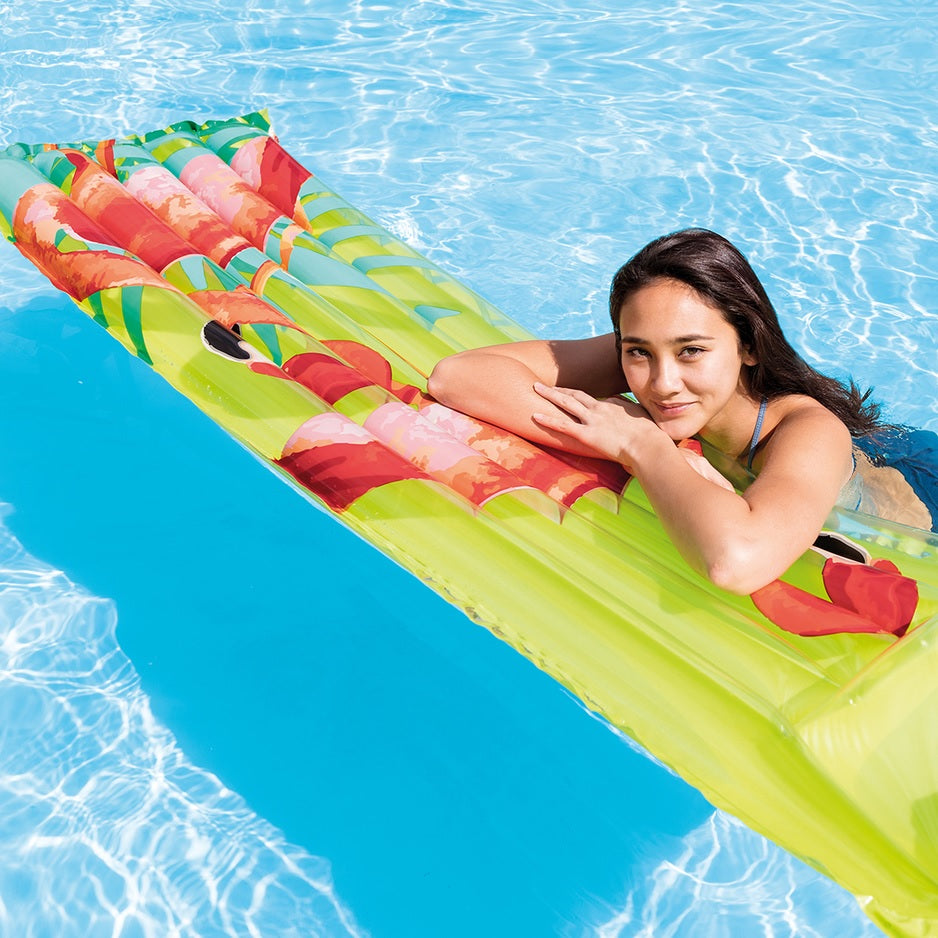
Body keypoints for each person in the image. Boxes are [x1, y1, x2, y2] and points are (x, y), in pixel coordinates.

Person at [428, 228, 934, 595]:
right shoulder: (650, 361)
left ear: (749, 346)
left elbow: (737, 562)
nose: (663, 383)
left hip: (915, 493)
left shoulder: (808, 431)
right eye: (637, 351)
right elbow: (455, 378)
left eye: (691, 350)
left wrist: (641, 444)